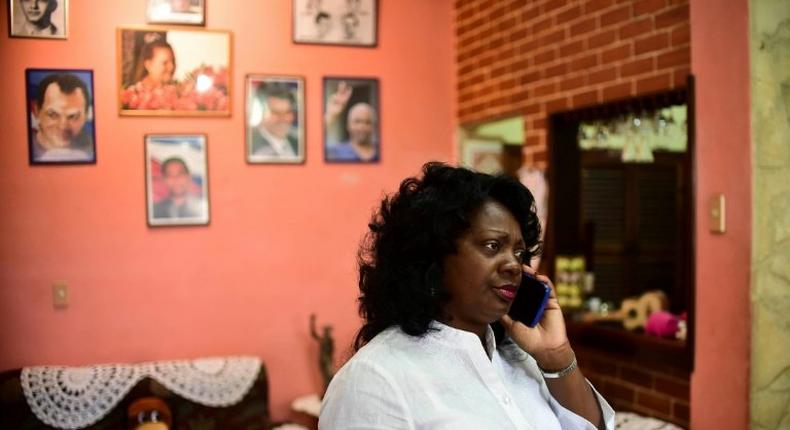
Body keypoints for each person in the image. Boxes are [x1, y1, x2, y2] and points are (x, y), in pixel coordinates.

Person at [319, 163, 615, 429]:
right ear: (433, 255)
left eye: (519, 252)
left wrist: (556, 358)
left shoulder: (519, 356)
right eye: (492, 246)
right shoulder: (374, 380)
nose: (514, 264)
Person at [30, 73, 93, 162]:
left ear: (86, 115)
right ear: (36, 111)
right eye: (53, 115)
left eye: (73, 116)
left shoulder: (93, 146)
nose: (63, 126)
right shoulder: (20, 148)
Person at [325, 82, 379, 162]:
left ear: (374, 126)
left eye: (368, 122)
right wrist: (330, 115)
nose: (362, 127)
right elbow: (313, 146)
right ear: (348, 125)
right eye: (357, 121)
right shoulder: (336, 152)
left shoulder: (382, 151)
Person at [249, 83, 299, 160]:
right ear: (259, 112)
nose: (283, 119)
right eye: (276, 113)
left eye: (287, 112)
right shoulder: (250, 146)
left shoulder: (298, 143)